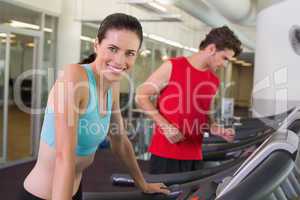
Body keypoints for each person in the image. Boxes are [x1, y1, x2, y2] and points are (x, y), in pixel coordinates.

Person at [21, 13, 170, 200]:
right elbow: (64, 157)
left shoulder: (112, 86)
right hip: (44, 195)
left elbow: (120, 142)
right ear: (96, 45)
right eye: (113, 49)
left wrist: (143, 184)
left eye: (129, 53)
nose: (120, 61)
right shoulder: (74, 76)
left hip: (74, 190)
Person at [136, 26, 242, 174]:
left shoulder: (214, 80)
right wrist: (165, 126)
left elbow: (205, 115)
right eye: (225, 58)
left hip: (194, 155)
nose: (225, 64)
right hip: (166, 154)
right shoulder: (173, 66)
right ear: (211, 49)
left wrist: (217, 129)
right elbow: (141, 95)